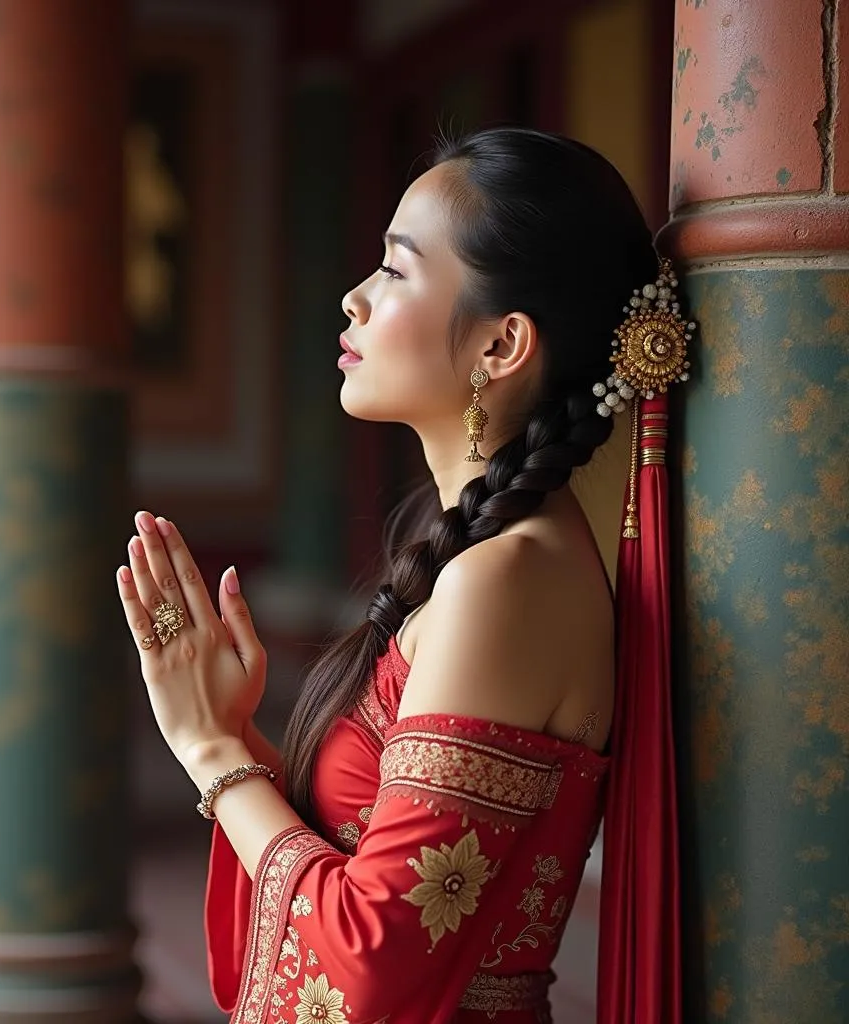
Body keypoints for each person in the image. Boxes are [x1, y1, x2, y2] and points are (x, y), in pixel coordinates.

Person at [115, 127, 687, 1023]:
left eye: (395, 270)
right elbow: (371, 854)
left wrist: (212, 751)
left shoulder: (509, 578)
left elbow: (374, 968)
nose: (352, 299)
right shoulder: (478, 547)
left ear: (501, 346)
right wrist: (237, 734)